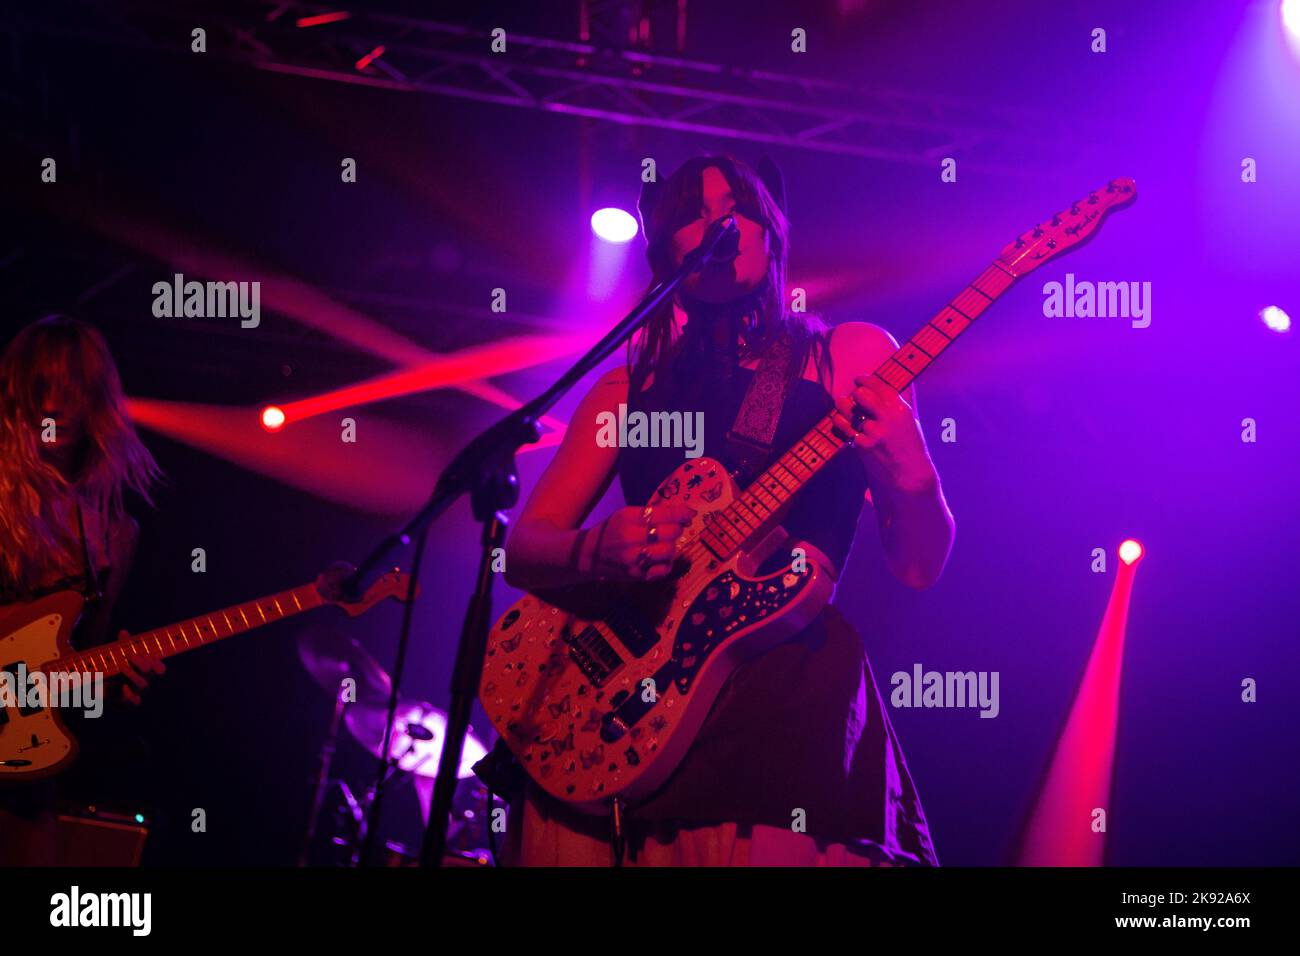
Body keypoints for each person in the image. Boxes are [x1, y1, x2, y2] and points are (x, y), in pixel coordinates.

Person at [496, 155, 954, 866]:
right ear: (665, 250)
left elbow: (920, 566)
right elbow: (526, 547)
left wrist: (914, 471)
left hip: (776, 709)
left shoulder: (848, 355)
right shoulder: (626, 390)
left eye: (735, 207)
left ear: (770, 231)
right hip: (614, 700)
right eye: (694, 213)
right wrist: (597, 550)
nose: (720, 224)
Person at [0, 315, 166, 865]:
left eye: (72, 390)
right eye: (42, 388)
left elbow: (64, 686)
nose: (56, 406)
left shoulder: (115, 536)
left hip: (24, 787)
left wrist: (108, 684)